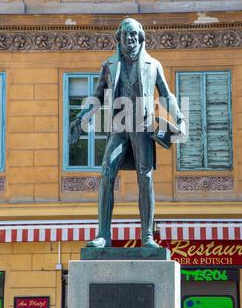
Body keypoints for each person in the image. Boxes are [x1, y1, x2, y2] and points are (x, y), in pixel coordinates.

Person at [70, 18, 186, 248]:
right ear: (119, 38)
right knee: (106, 173)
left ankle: (148, 237)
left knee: (145, 178)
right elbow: (96, 98)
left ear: (140, 37)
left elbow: (166, 95)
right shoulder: (109, 66)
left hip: (142, 128)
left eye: (133, 35)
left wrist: (180, 118)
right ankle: (103, 234)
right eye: (125, 35)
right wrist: (81, 117)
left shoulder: (153, 65)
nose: (129, 39)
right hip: (119, 128)